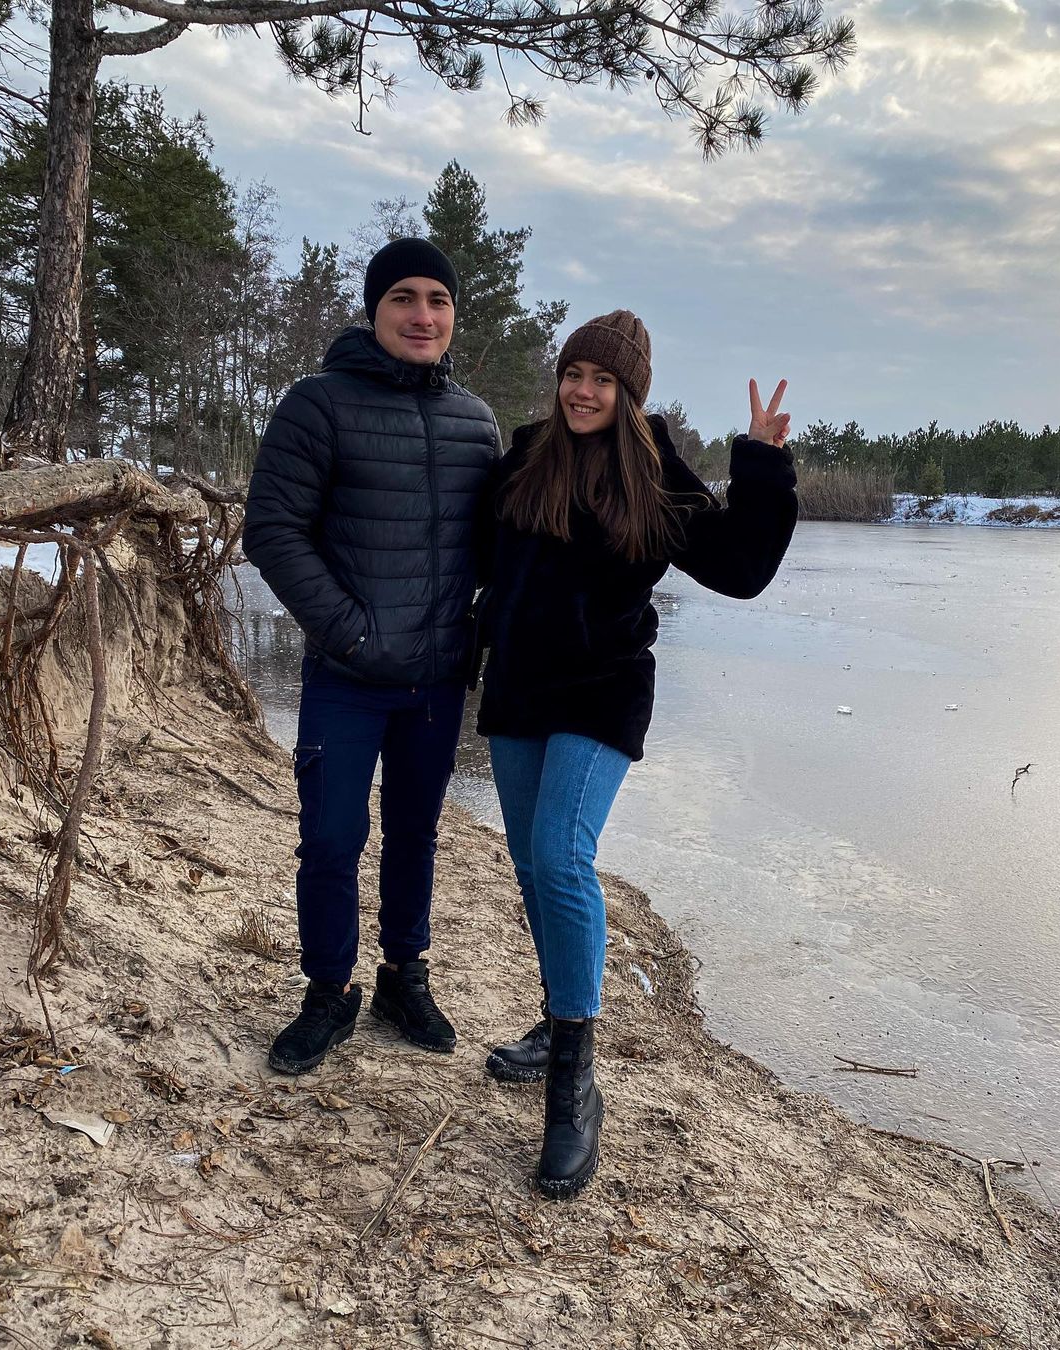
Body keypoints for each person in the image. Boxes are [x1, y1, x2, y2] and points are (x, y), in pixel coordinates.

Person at [473, 310, 797, 1197]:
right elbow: (476, 556)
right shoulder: (526, 456)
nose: (584, 391)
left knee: (561, 856)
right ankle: (556, 1020)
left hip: (603, 688)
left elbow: (739, 568)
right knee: (531, 866)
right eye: (575, 373)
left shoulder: (654, 473)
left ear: (631, 394)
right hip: (518, 690)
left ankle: (575, 1082)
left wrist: (761, 464)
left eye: (604, 381)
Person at [243, 239, 499, 1075]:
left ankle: (402, 976)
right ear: (374, 309)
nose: (423, 315)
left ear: (453, 315)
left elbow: (496, 545)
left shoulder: (476, 422)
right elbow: (272, 531)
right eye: (404, 298)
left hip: (437, 681)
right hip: (347, 677)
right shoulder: (317, 404)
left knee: (415, 833)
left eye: (438, 300)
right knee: (331, 837)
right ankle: (329, 992)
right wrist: (349, 632)